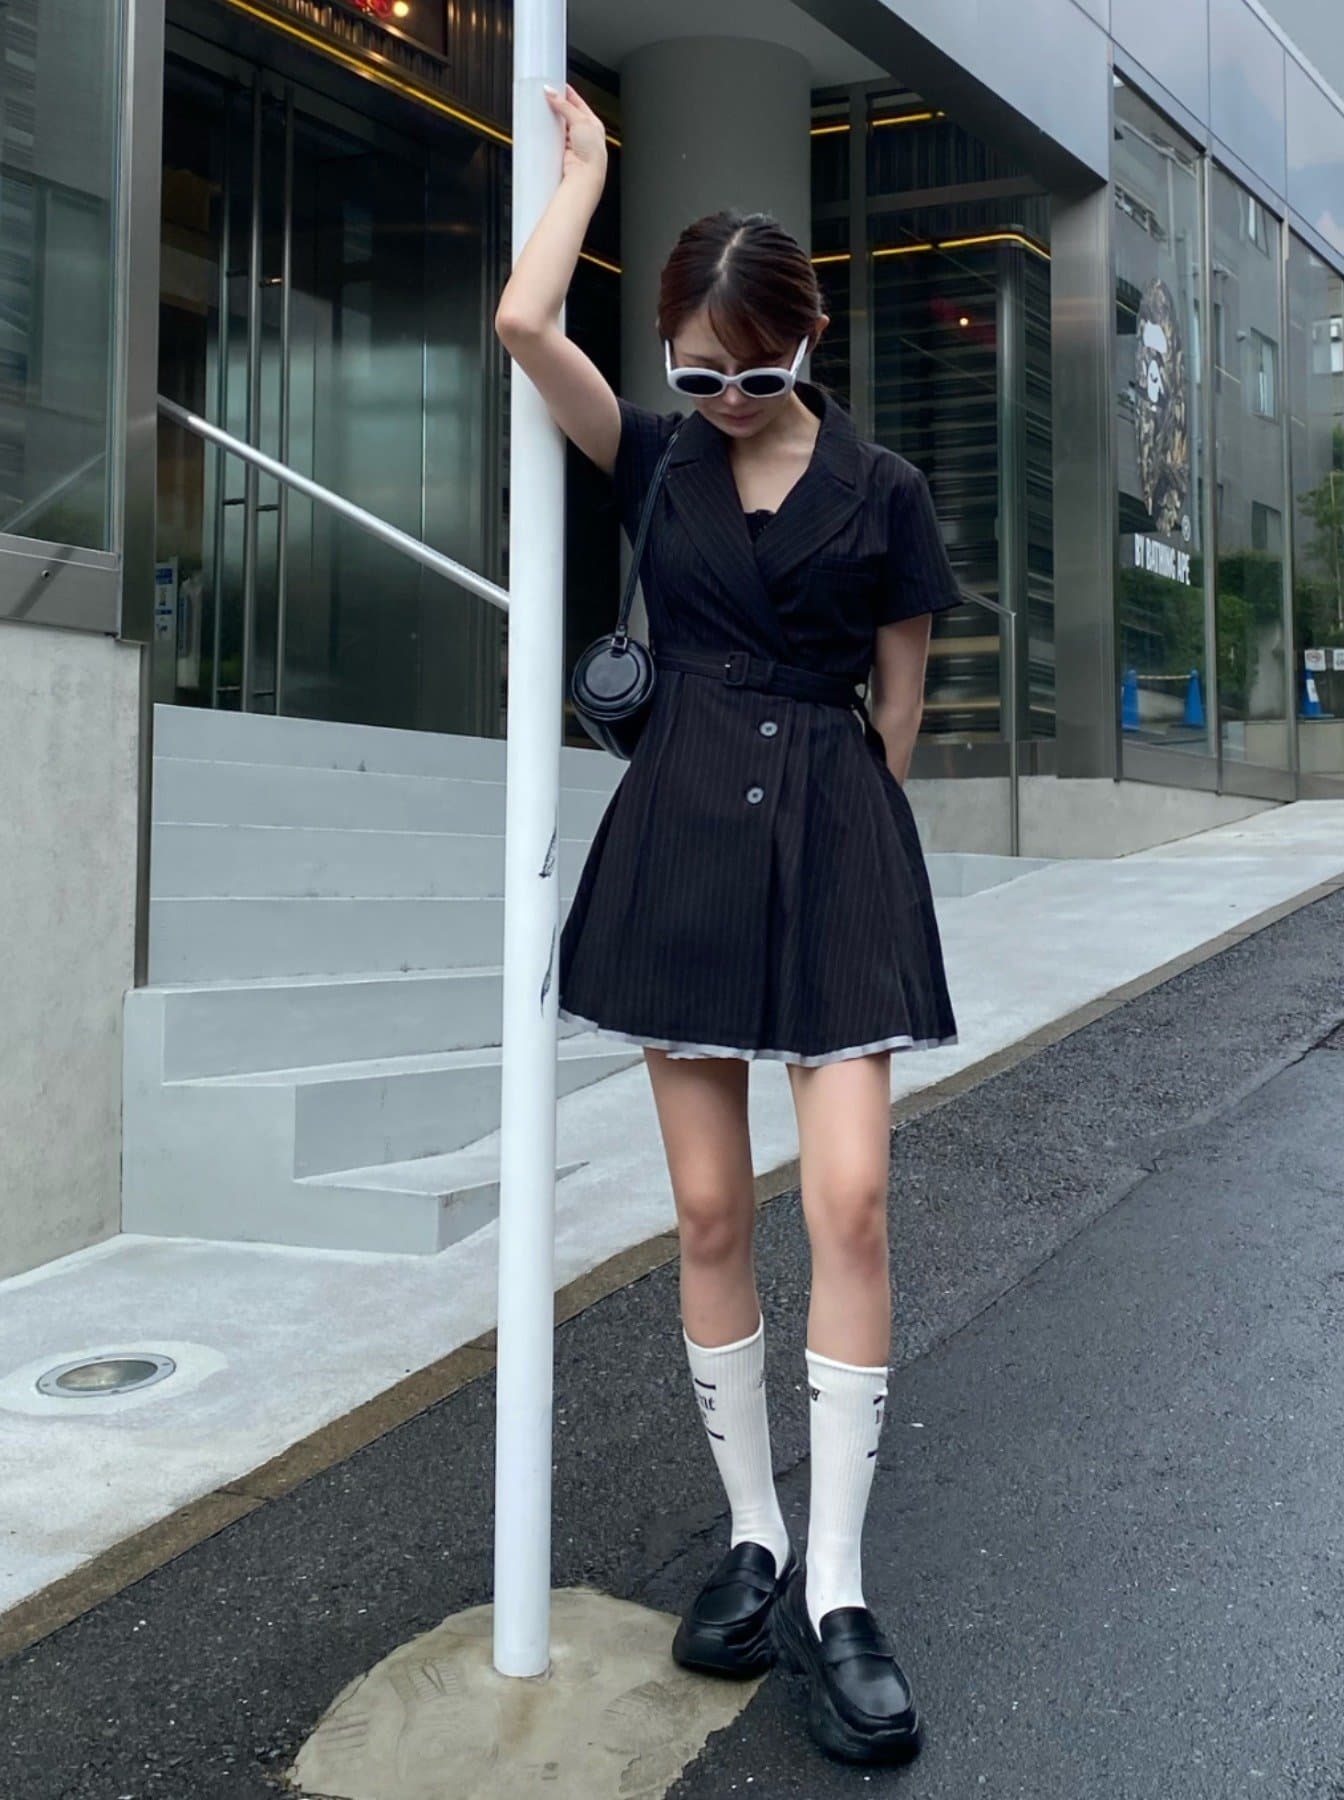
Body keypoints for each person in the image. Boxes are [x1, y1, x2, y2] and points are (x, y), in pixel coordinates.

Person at [494, 80, 964, 1768]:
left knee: (851, 1202)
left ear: (808, 338)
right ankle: (754, 1539)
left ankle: (838, 1583)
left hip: (833, 842)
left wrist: (848, 835)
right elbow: (523, 324)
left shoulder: (885, 489)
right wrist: (588, 172)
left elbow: (898, 708)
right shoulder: (656, 459)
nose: (724, 400)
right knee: (706, 1214)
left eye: (751, 374)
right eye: (697, 374)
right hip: (683, 840)